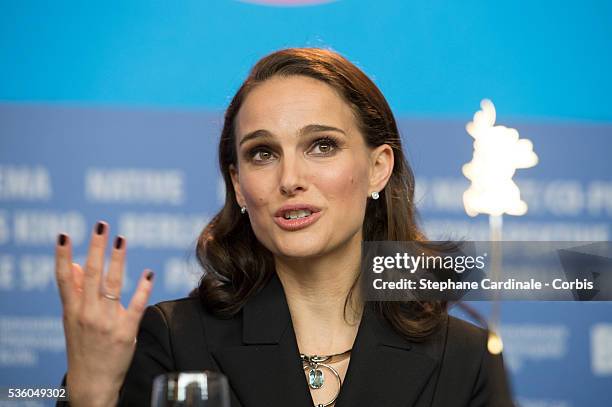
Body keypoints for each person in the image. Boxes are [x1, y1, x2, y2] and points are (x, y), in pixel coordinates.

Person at [55, 47, 515, 407]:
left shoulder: (466, 357)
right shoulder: (174, 341)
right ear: (238, 184)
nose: (290, 179)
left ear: (378, 168)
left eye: (321, 146)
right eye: (262, 153)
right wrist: (92, 398)